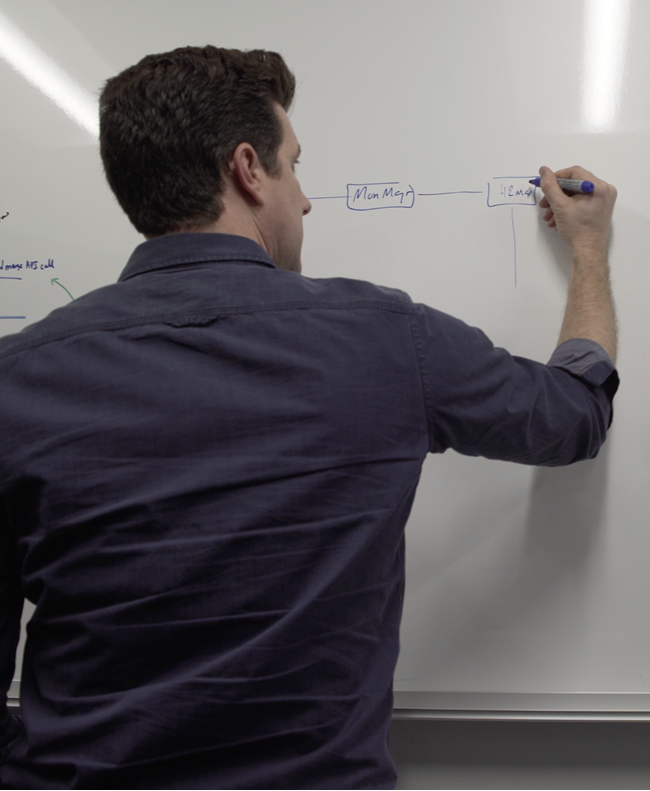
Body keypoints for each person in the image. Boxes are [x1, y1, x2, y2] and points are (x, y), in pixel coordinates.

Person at [0, 45, 617, 790]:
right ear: (248, 170)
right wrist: (589, 250)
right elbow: (575, 414)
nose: (305, 198)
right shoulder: (384, 338)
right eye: (294, 165)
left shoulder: (17, 379)